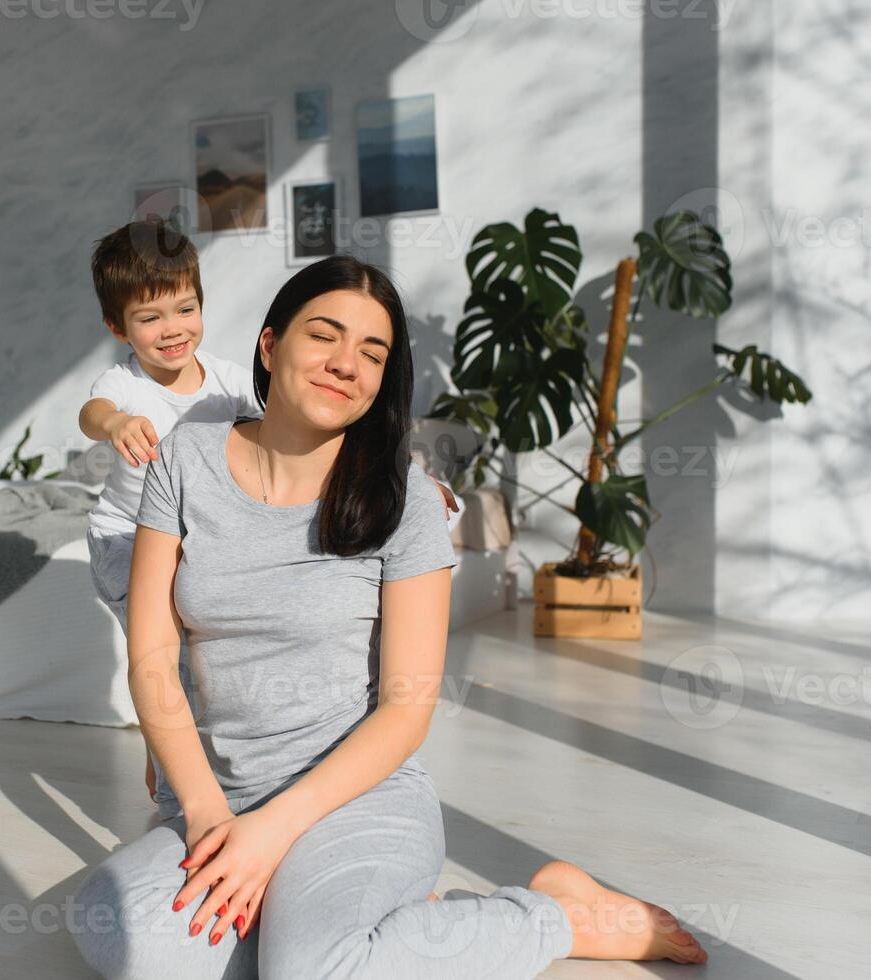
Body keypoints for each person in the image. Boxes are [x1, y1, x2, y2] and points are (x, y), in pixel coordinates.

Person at [69, 255, 709, 978]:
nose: (347, 363)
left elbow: (406, 712)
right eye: (325, 335)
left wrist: (272, 833)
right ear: (271, 346)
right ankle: (387, 928)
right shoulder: (184, 460)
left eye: (372, 353)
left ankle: (553, 916)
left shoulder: (403, 499)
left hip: (358, 796)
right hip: (220, 795)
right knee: (113, 931)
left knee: (308, 972)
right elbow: (153, 654)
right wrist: (213, 815)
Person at [77, 218, 457, 806]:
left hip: (347, 798)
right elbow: (92, 413)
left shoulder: (228, 382)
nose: (171, 331)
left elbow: (304, 416)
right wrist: (117, 424)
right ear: (117, 327)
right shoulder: (123, 385)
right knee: (160, 654)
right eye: (149, 319)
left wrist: (410, 482)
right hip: (125, 535)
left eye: (184, 311)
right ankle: (166, 761)